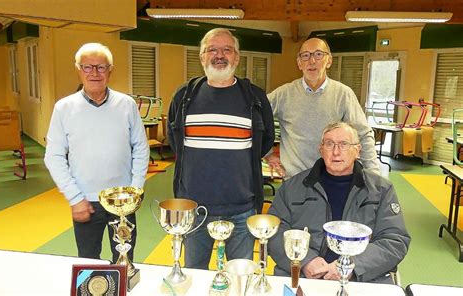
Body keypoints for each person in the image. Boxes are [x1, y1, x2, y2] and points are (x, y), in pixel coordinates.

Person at [167, 28, 275, 269]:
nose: (220, 55)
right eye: (212, 49)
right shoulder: (184, 96)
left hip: (241, 208)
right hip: (194, 208)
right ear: (202, 56)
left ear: (236, 57)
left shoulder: (255, 98)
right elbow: (175, 140)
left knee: (241, 277)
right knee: (194, 275)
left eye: (227, 49)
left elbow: (265, 140)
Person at [44, 43, 149, 262]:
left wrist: (135, 191)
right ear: (78, 69)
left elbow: (140, 147)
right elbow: (53, 157)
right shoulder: (64, 108)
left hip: (123, 201)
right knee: (88, 261)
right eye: (88, 67)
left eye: (101, 67)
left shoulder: (127, 104)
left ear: (110, 70)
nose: (94, 73)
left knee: (125, 260)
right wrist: (75, 198)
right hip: (85, 201)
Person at [268, 122, 410, 284]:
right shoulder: (293, 188)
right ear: (321, 150)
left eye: (344, 144)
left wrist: (353, 266)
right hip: (304, 276)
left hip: (362, 278)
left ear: (357, 151)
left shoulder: (381, 190)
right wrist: (305, 261)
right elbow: (275, 232)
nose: (336, 152)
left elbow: (394, 241)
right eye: (329, 144)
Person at [266, 38, 380, 179]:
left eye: (318, 54)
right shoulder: (283, 94)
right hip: (295, 180)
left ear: (329, 61)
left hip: (334, 180)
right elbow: (254, 118)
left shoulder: (343, 94)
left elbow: (363, 135)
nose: (312, 61)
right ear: (299, 63)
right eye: (305, 55)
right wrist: (268, 154)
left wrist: (374, 176)